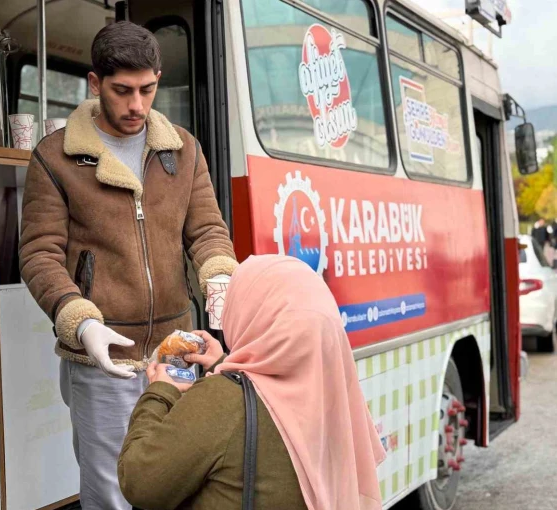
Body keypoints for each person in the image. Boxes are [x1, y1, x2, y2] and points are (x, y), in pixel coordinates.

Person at [19, 21, 238, 510]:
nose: (137, 105)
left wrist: (219, 276)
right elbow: (39, 254)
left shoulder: (183, 149)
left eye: (148, 89)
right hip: (103, 359)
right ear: (96, 85)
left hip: (178, 349)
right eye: (122, 91)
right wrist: (80, 321)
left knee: (184, 483)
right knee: (114, 495)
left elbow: (206, 231)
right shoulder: (54, 158)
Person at [118, 255, 386, 510]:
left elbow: (141, 483)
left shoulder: (222, 400)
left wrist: (160, 391)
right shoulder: (336, 399)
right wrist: (222, 363)